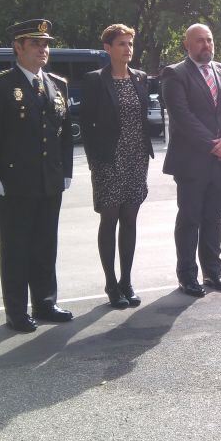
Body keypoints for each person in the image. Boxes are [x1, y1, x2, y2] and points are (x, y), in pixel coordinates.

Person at [0, 19, 75, 333]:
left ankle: (45, 302)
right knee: (16, 246)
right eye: (35, 43)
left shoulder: (58, 84)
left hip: (49, 179)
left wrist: (66, 171)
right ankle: (16, 310)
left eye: (46, 44)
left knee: (46, 244)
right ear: (18, 47)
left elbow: (65, 135)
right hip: (15, 181)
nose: (43, 49)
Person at [160, 23, 221, 298]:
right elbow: (182, 116)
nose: (205, 45)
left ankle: (213, 272)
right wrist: (213, 144)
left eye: (209, 40)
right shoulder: (175, 74)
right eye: (199, 41)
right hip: (192, 162)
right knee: (190, 219)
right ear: (187, 44)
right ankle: (187, 276)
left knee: (214, 218)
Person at [81, 24, 156, 309]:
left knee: (130, 220)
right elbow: (86, 125)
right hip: (109, 161)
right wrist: (95, 162)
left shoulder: (139, 77)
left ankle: (127, 281)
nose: (128, 49)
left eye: (130, 44)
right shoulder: (95, 80)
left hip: (136, 158)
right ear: (108, 48)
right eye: (122, 44)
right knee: (109, 219)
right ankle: (111, 284)